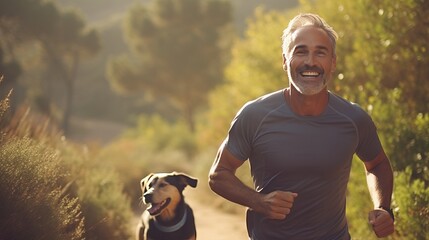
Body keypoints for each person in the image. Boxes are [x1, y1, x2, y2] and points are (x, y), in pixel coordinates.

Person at [208, 13, 394, 239]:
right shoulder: (255, 115)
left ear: (333, 63)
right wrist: (260, 202)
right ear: (285, 60)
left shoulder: (353, 119)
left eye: (321, 52)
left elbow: (377, 164)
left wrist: (383, 208)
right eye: (301, 51)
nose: (311, 62)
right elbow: (219, 174)